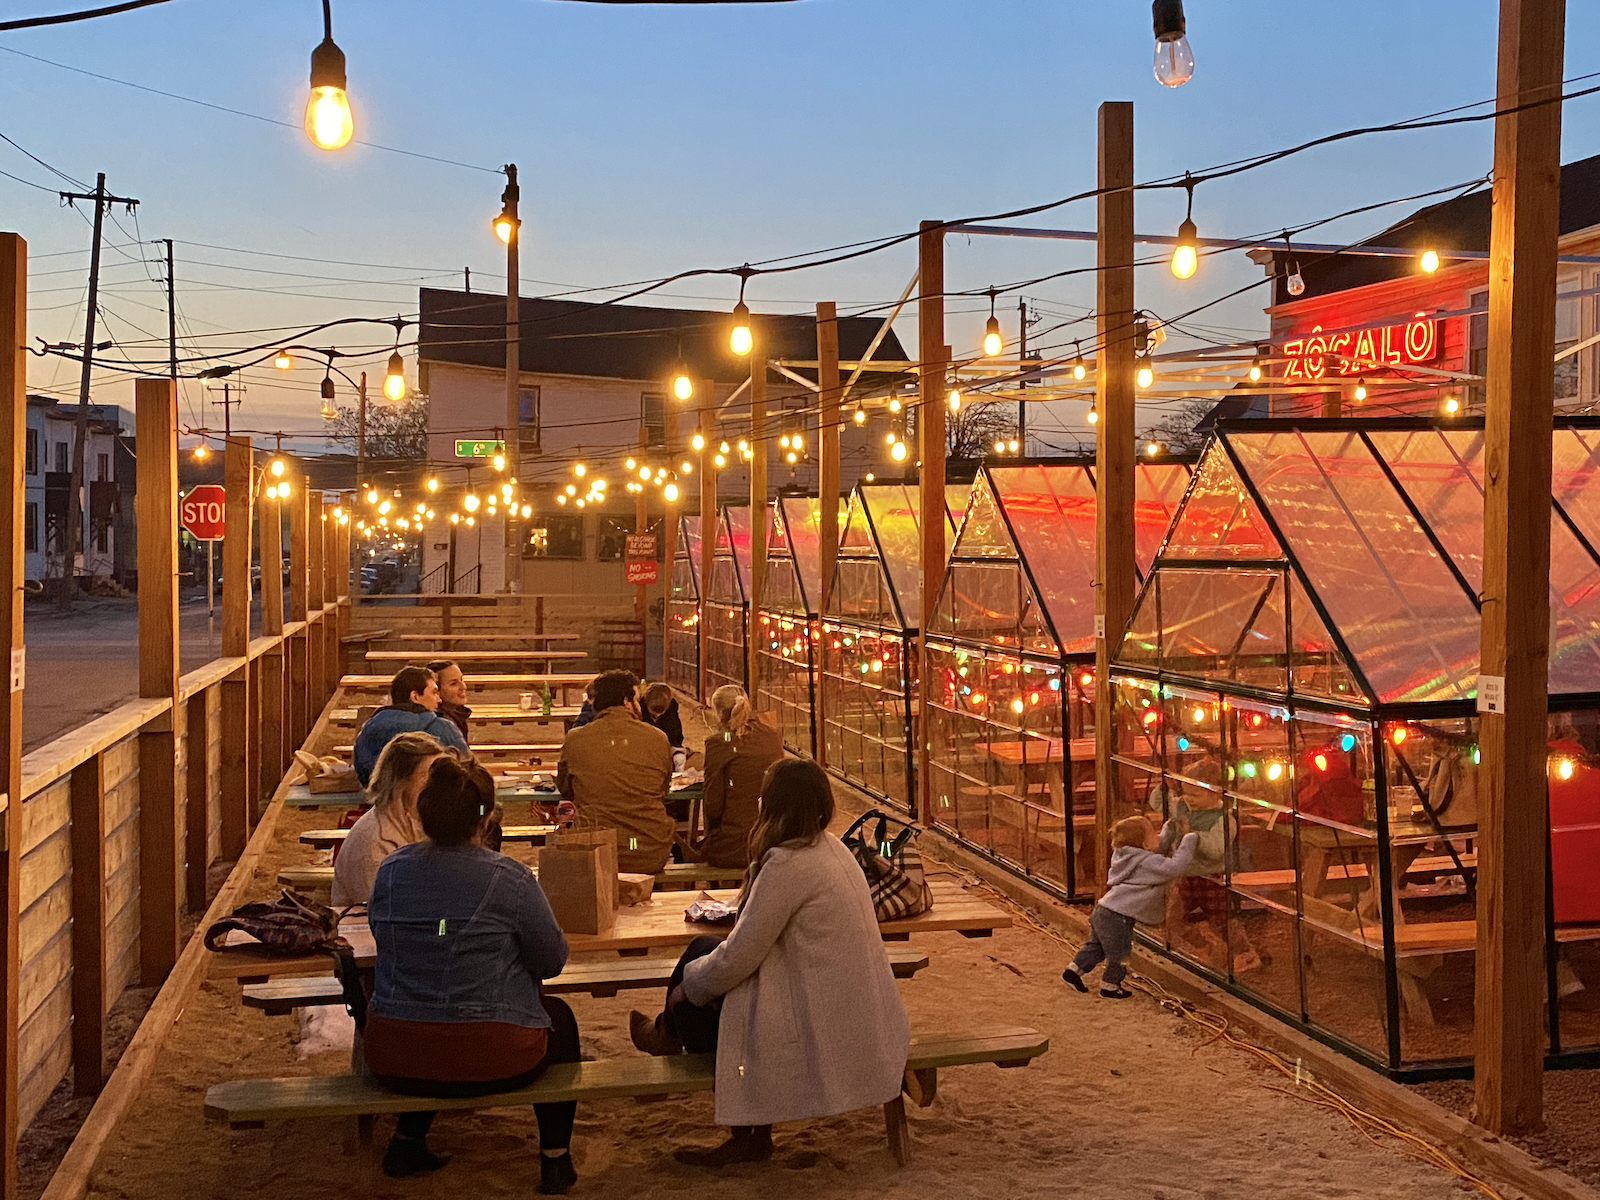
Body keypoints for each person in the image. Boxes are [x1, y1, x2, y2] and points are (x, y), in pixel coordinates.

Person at [628, 759, 911, 1167]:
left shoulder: (788, 863)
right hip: (859, 1009)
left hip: (824, 1019)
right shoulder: (832, 849)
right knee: (703, 952)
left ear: (771, 807)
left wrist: (687, 988)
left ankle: (676, 1044)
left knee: (696, 980)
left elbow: (739, 957)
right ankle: (665, 1032)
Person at [365, 756, 580, 1194]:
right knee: (561, 1021)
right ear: (485, 819)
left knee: (427, 1009)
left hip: (394, 1053)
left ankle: (408, 1140)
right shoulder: (510, 878)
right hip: (492, 1053)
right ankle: (555, 1158)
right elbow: (552, 960)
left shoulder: (391, 870)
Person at [1063, 815, 1198, 999]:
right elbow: (1173, 867)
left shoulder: (1126, 855)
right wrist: (1189, 840)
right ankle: (1110, 985)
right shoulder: (1146, 862)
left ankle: (1074, 970)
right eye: (1154, 834)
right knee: (1120, 953)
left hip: (1104, 910)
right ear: (1143, 844)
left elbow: (1155, 847)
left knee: (1097, 946)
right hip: (1118, 917)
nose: (1158, 837)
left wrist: (1169, 830)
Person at [557, 669, 675, 873]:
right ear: (626, 701)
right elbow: (663, 789)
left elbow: (566, 790)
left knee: (565, 821)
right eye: (637, 699)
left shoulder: (575, 739)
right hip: (649, 850)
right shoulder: (657, 738)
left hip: (595, 851)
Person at [331, 732, 445, 906]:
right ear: (400, 781)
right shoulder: (373, 843)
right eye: (425, 775)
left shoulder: (418, 821)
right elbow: (383, 914)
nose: (435, 783)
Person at [695, 685, 783, 869]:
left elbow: (713, 806)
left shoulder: (718, 744)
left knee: (700, 850)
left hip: (735, 846)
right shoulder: (772, 737)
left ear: (719, 714)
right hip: (770, 842)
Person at [353, 666, 468, 785]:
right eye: (434, 692)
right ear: (415, 697)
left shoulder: (369, 729)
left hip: (382, 800)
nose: (439, 699)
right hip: (434, 800)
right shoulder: (443, 728)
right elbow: (467, 769)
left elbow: (363, 773)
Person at [425, 659, 472, 745]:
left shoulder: (456, 715)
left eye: (461, 680)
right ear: (436, 690)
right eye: (453, 683)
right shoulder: (440, 725)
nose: (463, 687)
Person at [640, 681, 685, 752]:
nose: (657, 715)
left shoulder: (671, 710)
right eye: (653, 711)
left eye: (661, 711)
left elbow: (677, 738)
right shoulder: (639, 709)